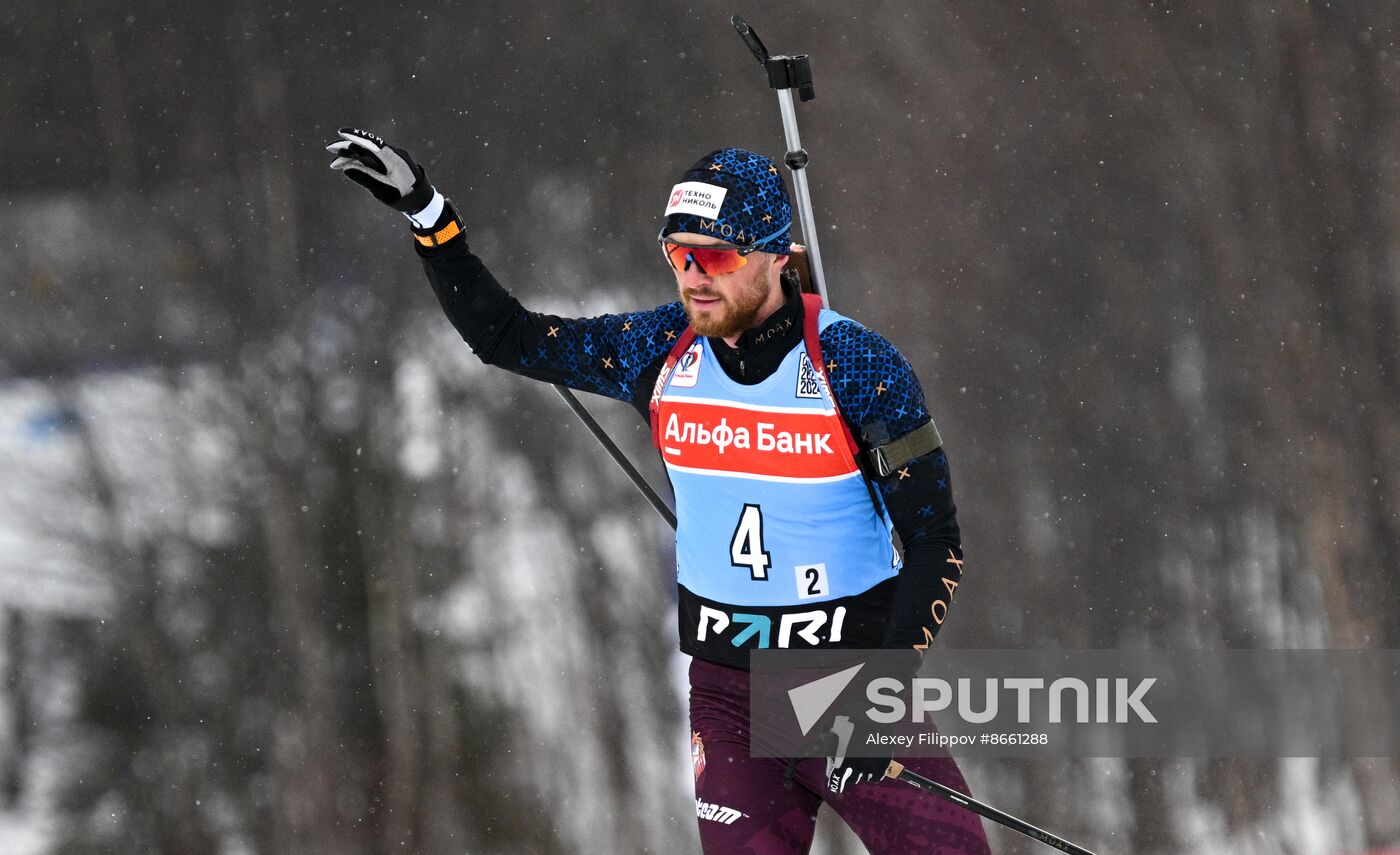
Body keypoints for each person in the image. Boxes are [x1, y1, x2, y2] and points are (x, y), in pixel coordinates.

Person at [327, 128, 992, 854]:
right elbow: (508, 337)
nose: (693, 277)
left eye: (715, 256)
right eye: (678, 255)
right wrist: (430, 217)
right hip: (730, 691)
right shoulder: (661, 349)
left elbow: (935, 539)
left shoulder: (857, 365)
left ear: (775, 254)